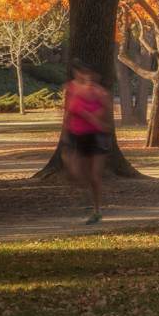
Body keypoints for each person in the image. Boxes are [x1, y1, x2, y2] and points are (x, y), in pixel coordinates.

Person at [63, 64, 110, 224]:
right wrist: (65, 131)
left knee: (95, 176)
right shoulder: (71, 89)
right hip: (78, 134)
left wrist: (94, 117)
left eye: (86, 73)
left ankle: (97, 210)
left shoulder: (99, 92)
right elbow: (68, 111)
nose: (83, 76)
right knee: (78, 173)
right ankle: (86, 201)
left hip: (96, 135)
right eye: (79, 73)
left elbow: (107, 110)